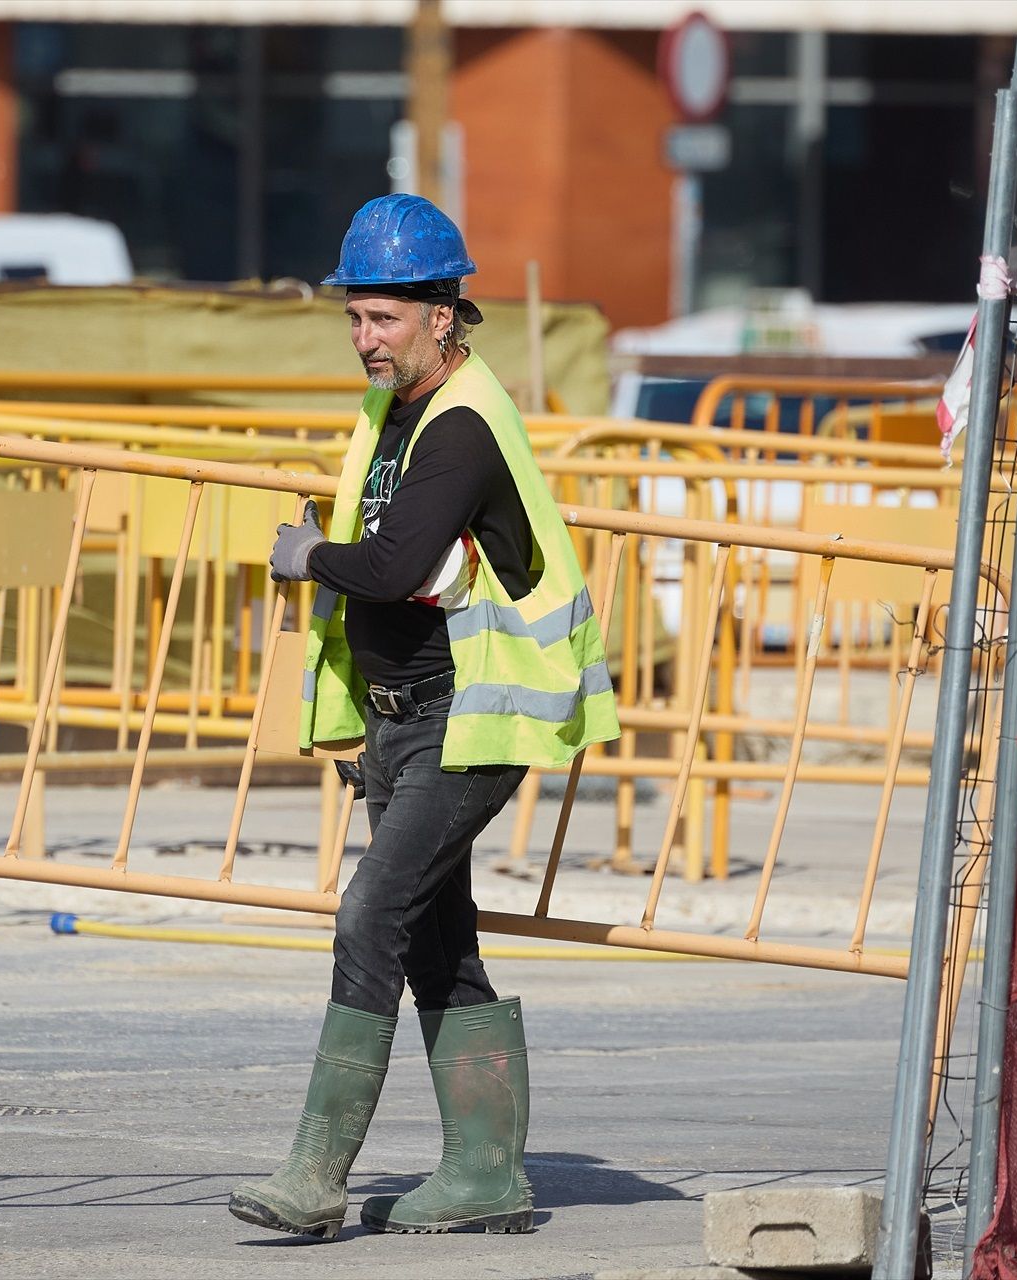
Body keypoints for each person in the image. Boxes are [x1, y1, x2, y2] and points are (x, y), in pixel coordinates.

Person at [226, 194, 620, 1240]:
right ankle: (486, 1176)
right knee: (438, 946)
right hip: (403, 720)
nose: (366, 337)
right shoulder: (392, 410)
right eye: (355, 317)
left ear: (443, 315)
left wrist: (309, 555)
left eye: (385, 318)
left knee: (370, 915)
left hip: (471, 718)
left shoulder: (464, 423)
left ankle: (314, 1175)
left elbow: (396, 563)